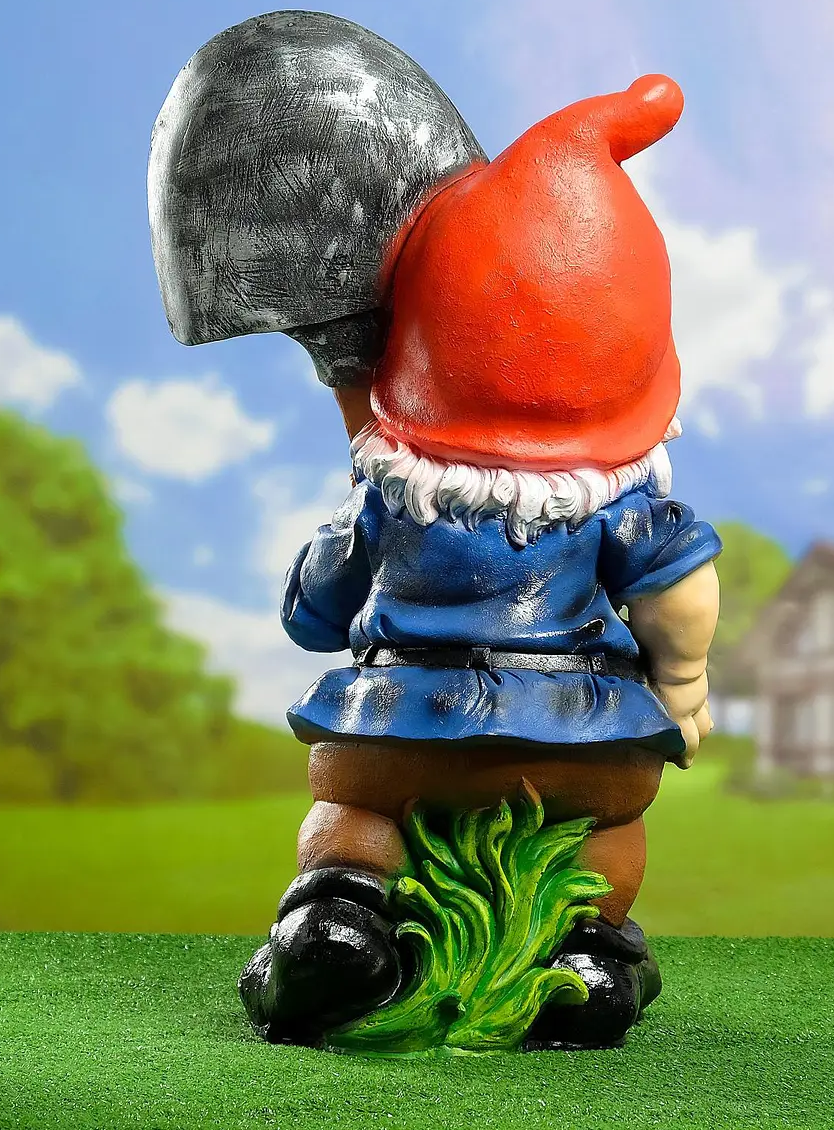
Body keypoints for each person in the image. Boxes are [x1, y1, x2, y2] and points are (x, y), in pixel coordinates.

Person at [238, 73, 722, 1050]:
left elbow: (312, 616)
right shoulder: (620, 504)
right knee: (605, 831)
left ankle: (341, 910)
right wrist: (683, 683)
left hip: (398, 734)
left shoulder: (390, 497)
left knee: (355, 812)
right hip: (578, 743)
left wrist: (346, 539)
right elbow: (680, 591)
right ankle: (591, 944)